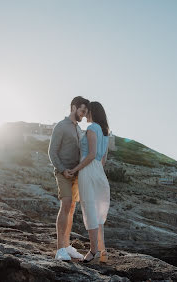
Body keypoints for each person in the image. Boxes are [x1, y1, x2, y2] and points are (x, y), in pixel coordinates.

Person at [48, 96, 89, 261]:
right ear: (73, 107)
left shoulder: (78, 128)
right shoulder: (61, 126)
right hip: (63, 173)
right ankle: (59, 250)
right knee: (65, 204)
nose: (84, 115)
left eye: (85, 112)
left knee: (72, 208)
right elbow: (52, 152)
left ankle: (66, 245)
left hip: (76, 175)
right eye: (82, 111)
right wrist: (63, 170)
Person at [70, 101, 110, 263]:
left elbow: (92, 154)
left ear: (93, 112)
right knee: (99, 211)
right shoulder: (105, 132)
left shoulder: (93, 128)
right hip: (99, 172)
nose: (85, 114)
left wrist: (76, 169)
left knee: (90, 209)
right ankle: (102, 252)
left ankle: (93, 251)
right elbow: (103, 159)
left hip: (88, 170)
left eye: (88, 111)